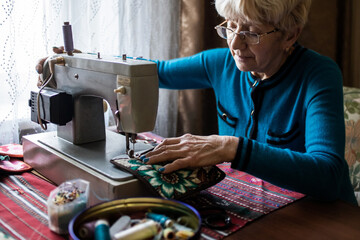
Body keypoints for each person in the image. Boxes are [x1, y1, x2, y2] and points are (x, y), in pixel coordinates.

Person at [36, 0, 357, 205]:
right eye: (230, 26)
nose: (235, 42)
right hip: (261, 205)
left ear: (290, 35)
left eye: (252, 32)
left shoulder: (318, 74)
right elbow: (152, 72)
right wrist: (80, 63)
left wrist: (233, 148)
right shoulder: (220, 64)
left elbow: (328, 173)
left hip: (322, 217)